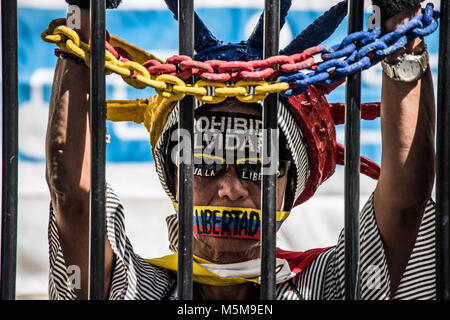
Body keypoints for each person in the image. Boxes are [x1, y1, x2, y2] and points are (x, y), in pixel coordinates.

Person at [46, 0, 437, 300]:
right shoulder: (137, 289)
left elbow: (406, 204)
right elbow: (72, 194)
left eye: (258, 166)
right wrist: (83, 13)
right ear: (173, 177)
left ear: (291, 182)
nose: (231, 187)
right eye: (206, 161)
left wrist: (400, 24)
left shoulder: (326, 286)